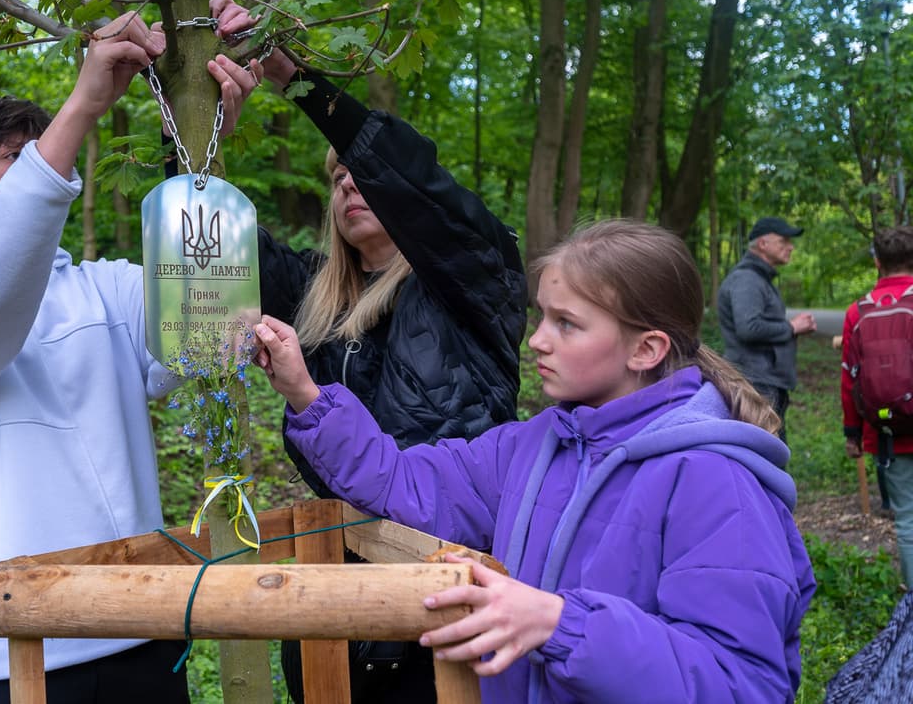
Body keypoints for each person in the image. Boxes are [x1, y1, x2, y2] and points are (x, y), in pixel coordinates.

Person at [253, 219, 816, 703]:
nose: (538, 341)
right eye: (541, 317)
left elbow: (741, 682)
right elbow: (408, 484)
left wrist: (559, 624)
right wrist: (306, 392)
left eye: (566, 324)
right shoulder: (536, 443)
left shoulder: (718, 483)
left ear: (647, 349)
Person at [0, 13, 254, 704]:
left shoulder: (107, 287)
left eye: (46, 154)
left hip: (134, 626)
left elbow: (207, 337)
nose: (45, 164)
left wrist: (198, 162)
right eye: (16, 158)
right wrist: (84, 104)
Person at [207, 0, 528, 703]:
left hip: (454, 570)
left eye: (362, 173)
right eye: (338, 178)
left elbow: (419, 185)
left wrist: (294, 77)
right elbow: (215, 245)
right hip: (343, 584)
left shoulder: (470, 279)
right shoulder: (314, 297)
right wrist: (204, 131)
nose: (350, 181)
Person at [840, 225, 913, 587]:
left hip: (889, 432)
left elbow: (849, 379)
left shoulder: (858, 312)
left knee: (908, 521)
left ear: (878, 263)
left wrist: (852, 434)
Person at [718, 216, 817, 442]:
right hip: (756, 384)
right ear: (763, 244)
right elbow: (749, 328)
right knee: (766, 458)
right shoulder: (747, 280)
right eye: (783, 241)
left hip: (764, 382)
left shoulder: (758, 278)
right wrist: (792, 327)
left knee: (770, 454)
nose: (790, 247)